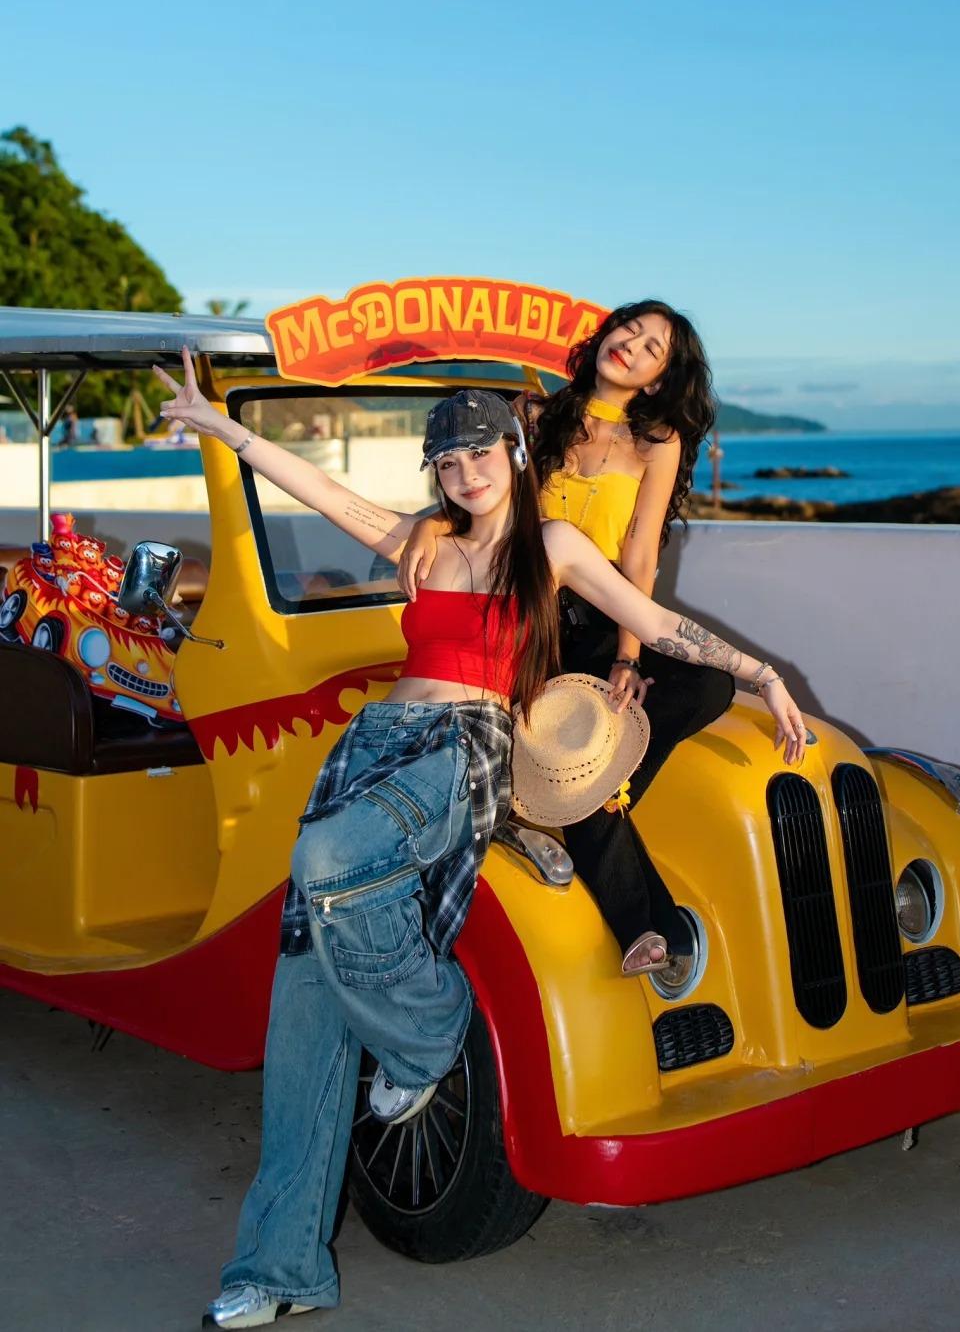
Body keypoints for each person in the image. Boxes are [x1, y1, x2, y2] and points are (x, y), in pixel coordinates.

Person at [152, 350, 804, 1329]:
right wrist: (225, 428)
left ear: (514, 452)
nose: (465, 474)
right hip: (375, 743)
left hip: (464, 748)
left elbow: (660, 623)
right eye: (447, 462)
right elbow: (319, 489)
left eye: (479, 454)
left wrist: (763, 675)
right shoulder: (424, 544)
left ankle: (425, 1036)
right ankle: (280, 1269)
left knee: (325, 860)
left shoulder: (554, 547)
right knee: (303, 1016)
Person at [399, 300, 730, 981]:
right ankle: (646, 922)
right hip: (531, 614)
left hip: (605, 607)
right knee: (568, 748)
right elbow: (478, 493)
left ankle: (604, 790)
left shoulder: (658, 441)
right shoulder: (533, 415)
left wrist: (628, 656)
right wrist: (428, 525)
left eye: (653, 349)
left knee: (709, 682)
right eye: (629, 330)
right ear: (605, 334)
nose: (631, 346)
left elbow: (640, 554)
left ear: (661, 378)